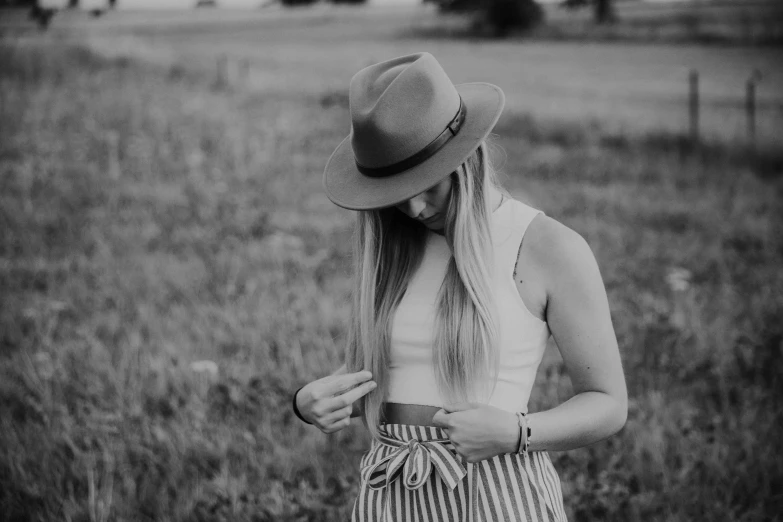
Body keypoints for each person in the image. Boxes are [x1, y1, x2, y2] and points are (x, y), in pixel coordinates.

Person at [292, 52, 627, 522]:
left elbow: (608, 404)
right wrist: (314, 401)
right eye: (393, 189)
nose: (412, 206)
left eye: (426, 181)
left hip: (496, 489)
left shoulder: (548, 246)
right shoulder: (393, 245)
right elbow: (395, 365)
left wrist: (516, 433)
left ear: (465, 157)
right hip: (392, 487)